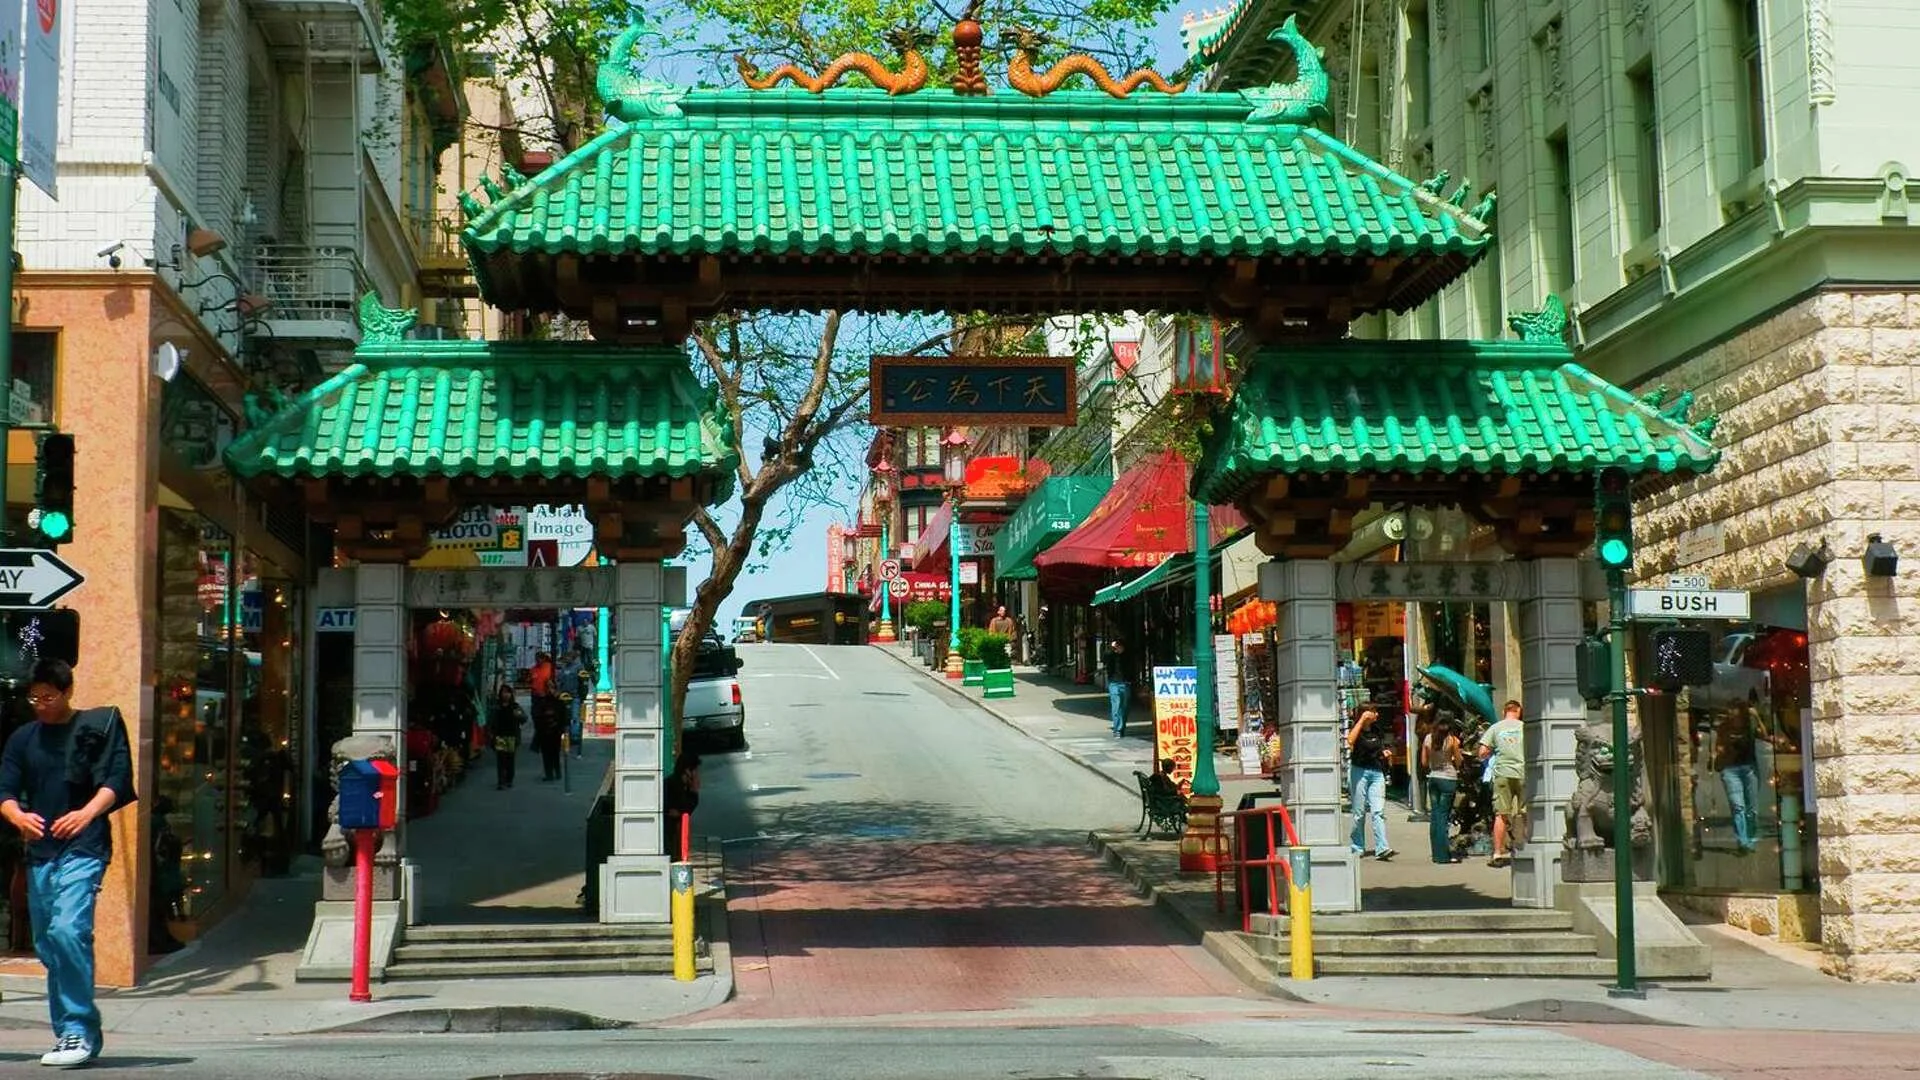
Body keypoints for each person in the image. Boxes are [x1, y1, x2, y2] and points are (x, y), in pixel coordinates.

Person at [0, 659, 137, 1068]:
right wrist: (17, 816)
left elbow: (116, 779)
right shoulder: (23, 738)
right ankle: (81, 1030)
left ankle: (74, 1028)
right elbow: (5, 788)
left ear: (68, 691)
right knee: (50, 943)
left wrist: (86, 813)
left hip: (85, 846)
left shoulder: (97, 727)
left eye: (49, 696)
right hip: (40, 850)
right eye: (34, 697)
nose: (41, 704)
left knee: (68, 929)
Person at [1478, 699, 1528, 868]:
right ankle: (1527, 848)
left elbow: (1482, 752)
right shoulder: (1524, 727)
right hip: (1523, 773)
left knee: (1501, 814)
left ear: (1504, 712)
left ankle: (1498, 853)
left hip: (1502, 774)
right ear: (1519, 711)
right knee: (1526, 813)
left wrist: (1495, 751)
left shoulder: (1495, 728)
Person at [1346, 705, 1396, 860]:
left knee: (1378, 811)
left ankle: (1382, 847)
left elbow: (1378, 748)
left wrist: (1384, 754)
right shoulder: (1357, 729)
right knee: (1359, 812)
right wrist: (1361, 720)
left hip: (1376, 772)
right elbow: (1350, 741)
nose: (1377, 714)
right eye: (1374, 712)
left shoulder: (1377, 729)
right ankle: (1357, 846)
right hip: (1359, 771)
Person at [1715, 704, 1762, 854]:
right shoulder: (1724, 728)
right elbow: (1718, 746)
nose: (1734, 719)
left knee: (1752, 808)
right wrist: (1721, 751)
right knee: (1738, 807)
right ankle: (1743, 841)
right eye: (1731, 716)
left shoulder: (1750, 726)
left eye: (1736, 716)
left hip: (1749, 768)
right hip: (1730, 770)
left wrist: (1756, 716)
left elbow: (1764, 734)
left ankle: (1751, 837)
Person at [1422, 715, 1464, 864]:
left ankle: (1436, 853)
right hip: (1448, 779)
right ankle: (1444, 855)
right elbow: (1459, 760)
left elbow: (1424, 762)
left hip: (1433, 778)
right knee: (1443, 817)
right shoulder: (1452, 740)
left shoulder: (1428, 738)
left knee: (1435, 815)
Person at [664, 751, 702, 861]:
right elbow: (682, 810)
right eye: (695, 770)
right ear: (687, 771)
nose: (697, 774)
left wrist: (694, 791)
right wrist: (694, 791)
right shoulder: (672, 786)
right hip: (668, 835)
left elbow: (687, 810)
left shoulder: (685, 787)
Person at [489, 684, 526, 790]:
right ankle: (501, 781)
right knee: (501, 760)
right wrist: (491, 734)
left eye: (507, 692)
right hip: (500, 736)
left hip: (511, 736)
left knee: (510, 760)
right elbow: (492, 722)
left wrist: (518, 715)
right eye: (503, 692)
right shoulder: (497, 707)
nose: (505, 695)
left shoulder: (514, 706)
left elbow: (524, 719)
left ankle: (509, 779)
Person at [1104, 637, 1130, 737]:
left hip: (1125, 683)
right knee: (1116, 706)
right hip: (1114, 683)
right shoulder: (1111, 655)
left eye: (1120, 647)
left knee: (1124, 707)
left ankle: (1122, 727)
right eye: (1117, 647)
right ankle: (1117, 729)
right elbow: (1105, 656)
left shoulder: (1127, 656)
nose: (1119, 649)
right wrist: (1112, 647)